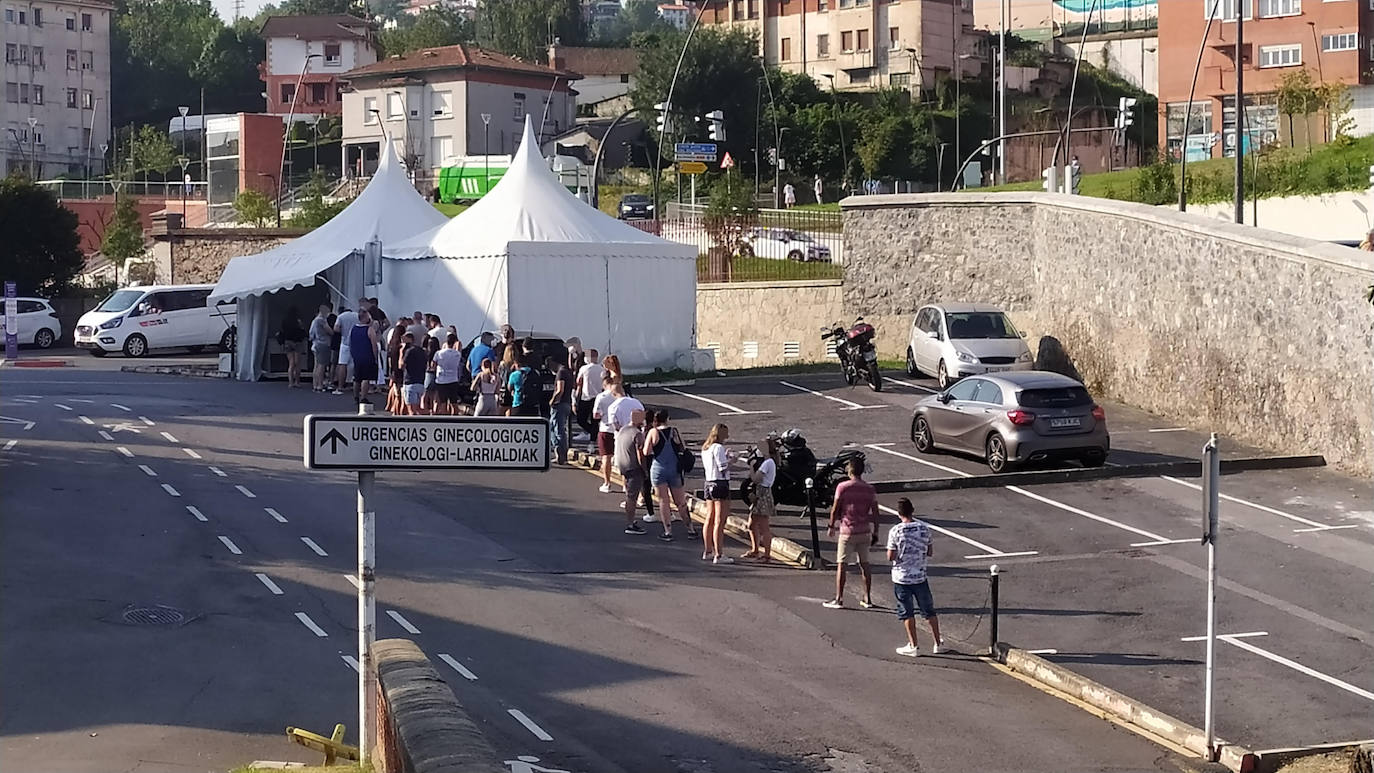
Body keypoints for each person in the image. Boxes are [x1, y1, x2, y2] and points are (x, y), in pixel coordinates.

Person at [888, 497, 944, 657]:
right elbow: (930, 552)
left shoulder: (896, 531)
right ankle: (937, 642)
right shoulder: (924, 529)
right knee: (929, 611)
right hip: (920, 575)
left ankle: (914, 645)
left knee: (907, 612)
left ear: (899, 513)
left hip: (901, 577)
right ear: (912, 510)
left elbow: (891, 556)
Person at [823, 457, 878, 609]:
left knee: (842, 564)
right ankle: (867, 598)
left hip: (847, 531)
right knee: (865, 564)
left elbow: (835, 508)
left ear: (850, 470)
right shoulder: (869, 489)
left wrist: (831, 526)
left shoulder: (842, 487)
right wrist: (876, 531)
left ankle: (839, 598)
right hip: (864, 531)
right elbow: (875, 512)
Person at [643, 409, 696, 542]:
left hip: (658, 469)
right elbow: (682, 448)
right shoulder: (674, 431)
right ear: (667, 418)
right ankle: (690, 529)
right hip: (674, 469)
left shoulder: (653, 432)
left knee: (663, 501)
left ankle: (668, 531)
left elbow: (646, 451)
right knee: (680, 502)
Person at [742, 436, 778, 562]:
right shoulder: (767, 462)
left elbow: (756, 479)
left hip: (763, 493)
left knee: (764, 527)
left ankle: (767, 555)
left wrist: (751, 466)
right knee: (752, 524)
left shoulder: (768, 463)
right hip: (759, 493)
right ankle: (755, 550)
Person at [701, 423, 733, 565]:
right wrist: (732, 460)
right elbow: (722, 468)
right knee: (720, 521)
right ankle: (719, 554)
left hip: (708, 483)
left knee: (709, 518)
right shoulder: (719, 447)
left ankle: (708, 551)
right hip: (720, 484)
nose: (728, 436)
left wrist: (725, 457)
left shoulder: (706, 448)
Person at [615, 407, 649, 535]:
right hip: (634, 468)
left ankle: (631, 521)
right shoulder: (637, 434)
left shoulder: (623, 430)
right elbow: (641, 455)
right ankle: (630, 524)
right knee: (632, 497)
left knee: (630, 495)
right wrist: (645, 470)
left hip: (623, 466)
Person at [592, 373, 619, 493]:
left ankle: (607, 483)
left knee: (606, 457)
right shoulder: (619, 395)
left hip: (605, 429)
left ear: (604, 385)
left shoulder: (601, 397)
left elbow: (595, 415)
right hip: (619, 430)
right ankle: (625, 484)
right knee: (620, 458)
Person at [547, 354, 574, 465]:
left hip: (560, 404)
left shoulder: (561, 373)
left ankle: (560, 451)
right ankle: (563, 453)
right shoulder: (568, 372)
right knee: (560, 429)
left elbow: (560, 390)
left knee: (556, 429)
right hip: (567, 402)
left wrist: (552, 400)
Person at [349, 310, 379, 404]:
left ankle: (355, 397)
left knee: (357, 378)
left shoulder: (353, 329)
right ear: (366, 318)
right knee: (366, 378)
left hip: (357, 356)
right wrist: (375, 357)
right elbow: (374, 345)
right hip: (367, 356)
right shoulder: (369, 329)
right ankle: (363, 397)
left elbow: (350, 342)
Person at [574, 347, 602, 447]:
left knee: (581, 420)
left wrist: (575, 398)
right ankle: (593, 437)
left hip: (586, 397)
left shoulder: (584, 368)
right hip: (597, 397)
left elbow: (578, 382)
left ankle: (593, 435)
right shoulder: (602, 369)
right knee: (595, 421)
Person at [433, 333, 464, 415]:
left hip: (441, 380)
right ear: (454, 343)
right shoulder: (457, 354)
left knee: (443, 403)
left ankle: (444, 420)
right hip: (453, 380)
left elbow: (433, 365)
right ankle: (455, 419)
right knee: (454, 403)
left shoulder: (439, 353)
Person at [334, 303, 361, 395]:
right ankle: (355, 385)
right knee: (356, 364)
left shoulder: (341, 317)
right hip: (356, 343)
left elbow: (336, 328)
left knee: (342, 364)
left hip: (345, 343)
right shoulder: (357, 316)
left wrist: (343, 331)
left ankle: (341, 386)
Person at [399, 332, 427, 415]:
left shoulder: (409, 351)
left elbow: (401, 365)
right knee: (417, 408)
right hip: (420, 382)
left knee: (411, 409)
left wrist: (401, 352)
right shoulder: (421, 351)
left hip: (410, 382)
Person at [384, 321, 409, 414]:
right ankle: (399, 412)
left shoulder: (392, 346)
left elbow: (390, 361)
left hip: (394, 372)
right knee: (401, 394)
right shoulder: (402, 347)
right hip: (402, 372)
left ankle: (394, 411)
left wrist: (390, 373)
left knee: (396, 393)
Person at [508, 353, 542, 417]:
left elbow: (509, 388)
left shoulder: (514, 374)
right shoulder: (535, 373)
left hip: (518, 404)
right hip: (532, 405)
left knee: (517, 426)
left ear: (517, 364)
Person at [309, 304, 333, 392]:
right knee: (321, 365)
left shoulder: (314, 321)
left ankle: (315, 384)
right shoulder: (322, 320)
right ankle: (320, 385)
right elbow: (330, 331)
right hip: (323, 344)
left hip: (315, 344)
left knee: (316, 365)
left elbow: (311, 334)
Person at [496, 344, 520, 415]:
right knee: (510, 410)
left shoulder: (502, 364)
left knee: (501, 411)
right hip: (513, 390)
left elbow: (501, 377)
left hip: (503, 391)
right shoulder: (516, 365)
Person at [327, 312, 342, 393]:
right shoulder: (340, 328)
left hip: (333, 345)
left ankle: (331, 380)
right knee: (340, 364)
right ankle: (338, 380)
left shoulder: (330, 324)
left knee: (333, 364)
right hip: (340, 344)